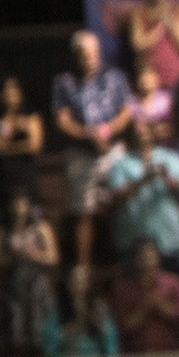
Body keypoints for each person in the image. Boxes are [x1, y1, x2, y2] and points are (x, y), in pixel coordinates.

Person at [53, 30, 136, 267]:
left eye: (94, 53)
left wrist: (108, 130)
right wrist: (87, 134)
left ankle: (125, 260)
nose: (91, 58)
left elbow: (127, 111)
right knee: (83, 212)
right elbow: (62, 120)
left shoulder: (115, 77)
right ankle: (84, 266)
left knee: (121, 202)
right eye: (85, 54)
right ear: (76, 56)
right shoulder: (64, 81)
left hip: (112, 148)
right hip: (81, 152)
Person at [104, 119, 179, 272]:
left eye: (145, 131)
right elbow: (115, 197)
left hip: (168, 238)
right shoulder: (122, 163)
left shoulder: (170, 158)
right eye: (137, 132)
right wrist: (142, 180)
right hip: (133, 241)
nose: (142, 136)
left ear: (153, 133)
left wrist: (168, 178)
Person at [0, 192, 60, 357]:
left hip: (37, 282)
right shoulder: (4, 230)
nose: (19, 208)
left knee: (38, 325)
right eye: (16, 204)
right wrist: (13, 254)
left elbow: (53, 257)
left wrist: (34, 254)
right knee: (17, 328)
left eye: (23, 204)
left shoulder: (40, 227)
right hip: (15, 282)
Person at [0, 76, 44, 222]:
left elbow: (35, 145)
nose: (10, 94)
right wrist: (20, 144)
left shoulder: (31, 117)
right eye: (6, 90)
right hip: (1, 178)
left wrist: (7, 147)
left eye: (14, 89)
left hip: (26, 176)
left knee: (33, 217)